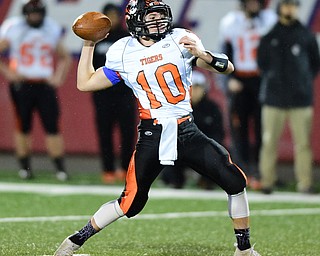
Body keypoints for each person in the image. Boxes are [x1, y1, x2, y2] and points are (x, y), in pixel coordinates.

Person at [54, 1, 260, 255]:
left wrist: (203, 54)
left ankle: (244, 250)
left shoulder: (180, 38)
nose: (158, 21)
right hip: (154, 133)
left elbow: (227, 68)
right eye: (151, 16)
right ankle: (75, 241)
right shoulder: (122, 51)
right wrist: (89, 44)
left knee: (235, 181)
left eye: (160, 15)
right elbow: (85, 83)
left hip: (187, 130)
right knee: (130, 202)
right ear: (135, 20)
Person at [0, 0, 71, 181]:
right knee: (22, 127)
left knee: (52, 126)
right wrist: (9, 72)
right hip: (22, 84)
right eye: (32, 13)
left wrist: (58, 77)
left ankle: (60, 168)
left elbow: (65, 56)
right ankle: (25, 167)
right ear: (25, 14)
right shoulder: (14, 27)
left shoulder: (51, 28)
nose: (35, 16)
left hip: (44, 84)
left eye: (38, 13)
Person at [257, 0, 320, 194]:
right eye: (286, 5)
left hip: (300, 100)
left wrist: (301, 84)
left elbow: (314, 65)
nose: (290, 9)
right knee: (269, 142)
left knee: (303, 144)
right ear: (279, 8)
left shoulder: (306, 36)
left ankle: (305, 183)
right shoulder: (269, 37)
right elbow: (262, 64)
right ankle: (267, 182)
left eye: (293, 5)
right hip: (273, 98)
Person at [218, 0, 277, 189]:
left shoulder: (269, 20)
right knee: (239, 130)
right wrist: (229, 78)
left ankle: (260, 172)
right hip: (240, 80)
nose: (254, 5)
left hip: (261, 80)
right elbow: (224, 52)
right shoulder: (230, 21)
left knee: (262, 128)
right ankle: (242, 172)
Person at [92, 3, 137, 184]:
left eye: (114, 15)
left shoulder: (128, 39)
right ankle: (108, 169)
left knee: (127, 133)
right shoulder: (96, 38)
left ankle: (126, 168)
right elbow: (90, 68)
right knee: (105, 132)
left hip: (124, 93)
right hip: (103, 95)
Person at [161, 69, 225, 189]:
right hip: (182, 147)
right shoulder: (177, 108)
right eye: (191, 87)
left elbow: (218, 133)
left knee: (217, 152)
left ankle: (208, 181)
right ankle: (174, 179)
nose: (194, 91)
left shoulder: (212, 108)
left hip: (203, 147)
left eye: (197, 87)